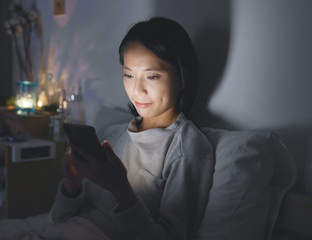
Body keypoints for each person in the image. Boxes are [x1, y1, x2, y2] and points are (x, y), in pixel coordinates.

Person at [49, 17, 215, 240]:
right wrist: (72, 184)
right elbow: (58, 220)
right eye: (128, 75)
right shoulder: (109, 135)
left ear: (181, 77)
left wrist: (121, 190)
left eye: (152, 76)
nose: (137, 90)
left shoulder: (186, 148)